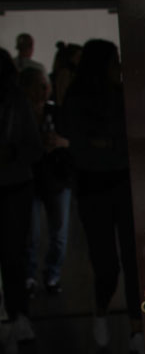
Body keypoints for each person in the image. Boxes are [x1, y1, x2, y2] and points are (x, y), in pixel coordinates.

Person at [62, 39, 143, 354]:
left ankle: (137, 326)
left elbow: (125, 141)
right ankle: (101, 309)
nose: (119, 68)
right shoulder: (78, 100)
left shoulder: (121, 96)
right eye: (114, 62)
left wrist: (104, 143)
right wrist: (107, 145)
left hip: (121, 185)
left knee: (134, 259)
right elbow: (81, 146)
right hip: (94, 189)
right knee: (106, 262)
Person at [0, 49, 44, 342]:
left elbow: (33, 146)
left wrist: (12, 153)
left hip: (14, 184)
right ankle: (19, 315)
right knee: (14, 253)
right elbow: (34, 146)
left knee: (13, 254)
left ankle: (18, 314)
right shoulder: (16, 100)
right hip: (15, 183)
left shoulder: (16, 101)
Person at [19, 66, 72, 295]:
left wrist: (60, 142)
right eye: (39, 86)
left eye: (46, 85)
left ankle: (52, 276)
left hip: (56, 180)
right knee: (31, 234)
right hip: (30, 180)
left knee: (58, 234)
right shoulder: (19, 115)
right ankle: (29, 276)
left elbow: (73, 140)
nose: (44, 90)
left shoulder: (57, 113)